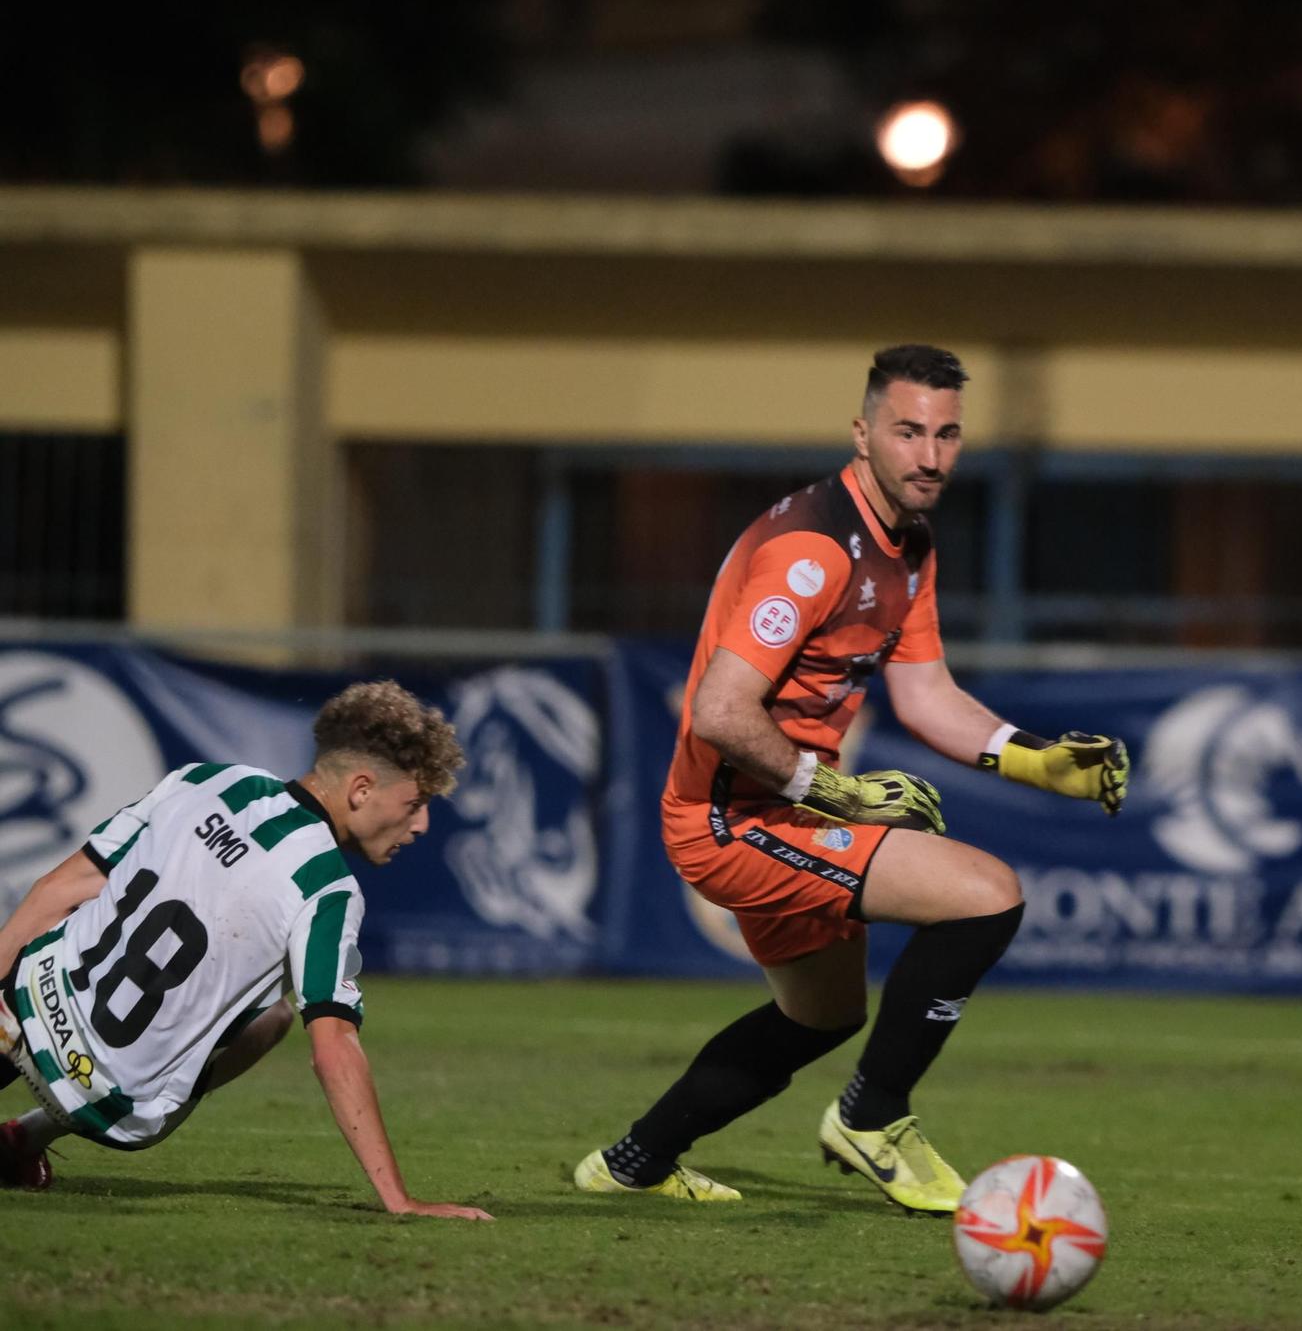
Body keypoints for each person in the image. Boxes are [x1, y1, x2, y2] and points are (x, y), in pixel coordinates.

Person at [574, 344, 1130, 1215]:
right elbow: (720, 711)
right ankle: (873, 1117)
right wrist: (835, 792)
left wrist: (1039, 761)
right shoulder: (813, 551)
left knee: (822, 1017)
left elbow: (927, 695)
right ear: (863, 432)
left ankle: (635, 1160)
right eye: (908, 431)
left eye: (946, 434)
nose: (930, 455)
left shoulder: (909, 543)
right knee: (987, 894)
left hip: (785, 808)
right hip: (731, 818)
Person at [0, 680, 493, 1221]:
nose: (421, 824)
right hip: (106, 1100)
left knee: (69, 941)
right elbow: (334, 1050)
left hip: (24, 1005)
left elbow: (56, 891)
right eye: (416, 802)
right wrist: (400, 1201)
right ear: (361, 789)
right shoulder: (327, 890)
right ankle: (23, 1138)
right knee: (275, 1015)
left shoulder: (207, 779)